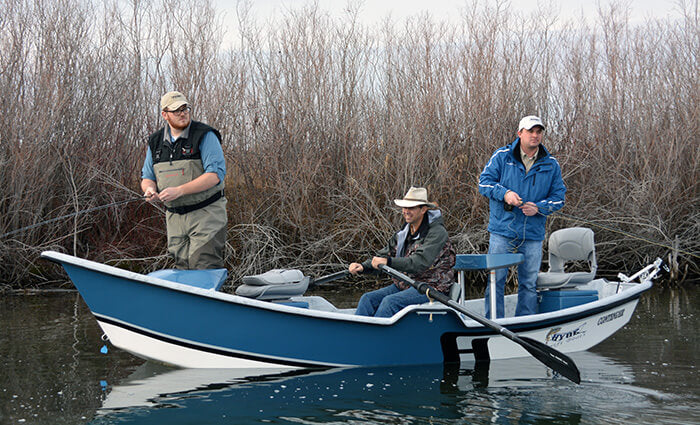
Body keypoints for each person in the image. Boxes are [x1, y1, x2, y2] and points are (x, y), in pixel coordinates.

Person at [478, 115, 566, 318]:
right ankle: (493, 323)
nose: (535, 136)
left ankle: (525, 323)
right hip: (502, 231)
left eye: (538, 132)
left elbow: (559, 198)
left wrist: (540, 208)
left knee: (529, 283)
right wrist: (505, 194)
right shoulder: (501, 156)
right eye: (530, 131)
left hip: (533, 234)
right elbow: (484, 183)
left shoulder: (551, 164)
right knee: (495, 280)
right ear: (520, 133)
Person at [141, 91, 228, 269]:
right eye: (176, 110)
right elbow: (147, 176)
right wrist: (149, 190)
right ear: (164, 114)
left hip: (206, 214)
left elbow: (215, 175)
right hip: (174, 219)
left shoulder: (205, 135)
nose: (182, 113)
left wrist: (179, 190)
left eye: (185, 108)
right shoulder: (155, 141)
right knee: (182, 267)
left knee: (204, 264)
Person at [348, 187, 456, 317]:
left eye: (411, 208)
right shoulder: (405, 232)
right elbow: (384, 255)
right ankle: (358, 335)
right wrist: (363, 266)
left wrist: (388, 262)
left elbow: (418, 263)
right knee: (367, 299)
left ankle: (377, 336)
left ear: (423, 209)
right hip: (406, 284)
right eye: (404, 207)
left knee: (390, 302)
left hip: (432, 287)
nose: (406, 211)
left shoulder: (437, 232)